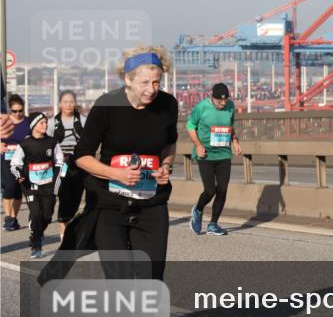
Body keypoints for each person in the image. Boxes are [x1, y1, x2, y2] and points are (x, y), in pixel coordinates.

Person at [71, 46, 178, 280]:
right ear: (127, 80)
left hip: (151, 203)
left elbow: (170, 144)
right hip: (110, 204)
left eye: (157, 82)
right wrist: (116, 174)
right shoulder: (107, 105)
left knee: (151, 278)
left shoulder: (168, 104)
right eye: (144, 82)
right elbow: (82, 156)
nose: (152, 89)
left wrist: (166, 166)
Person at [187, 82, 241, 236]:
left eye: (225, 100)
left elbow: (230, 126)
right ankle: (198, 210)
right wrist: (198, 145)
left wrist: (235, 141)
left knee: (222, 190)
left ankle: (213, 224)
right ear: (212, 97)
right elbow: (190, 126)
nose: (223, 103)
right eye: (219, 101)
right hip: (206, 154)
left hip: (224, 154)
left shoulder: (230, 106)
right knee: (210, 190)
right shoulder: (202, 107)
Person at [10, 112, 64, 258]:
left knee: (47, 216)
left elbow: (59, 162)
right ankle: (36, 243)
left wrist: (56, 182)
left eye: (46, 122)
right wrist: (20, 176)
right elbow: (14, 165)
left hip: (48, 185)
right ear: (33, 125)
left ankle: (36, 229)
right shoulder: (25, 144)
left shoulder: (52, 142)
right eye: (42, 123)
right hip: (30, 185)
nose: (45, 125)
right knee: (36, 213)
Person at [48, 90, 92, 238]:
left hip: (80, 163)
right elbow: (46, 144)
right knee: (64, 196)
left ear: (75, 103)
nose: (68, 105)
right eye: (65, 102)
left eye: (71, 102)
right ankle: (64, 234)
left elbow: (91, 142)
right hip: (60, 164)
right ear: (60, 104)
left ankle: (72, 229)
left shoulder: (84, 121)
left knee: (77, 196)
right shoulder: (52, 123)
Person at [3, 94, 30, 230]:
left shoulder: (28, 122)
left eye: (20, 110)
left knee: (19, 189)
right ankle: (8, 217)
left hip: (23, 160)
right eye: (14, 111)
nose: (18, 114)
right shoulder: (4, 121)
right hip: (6, 158)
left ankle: (13, 218)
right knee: (10, 187)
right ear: (10, 109)